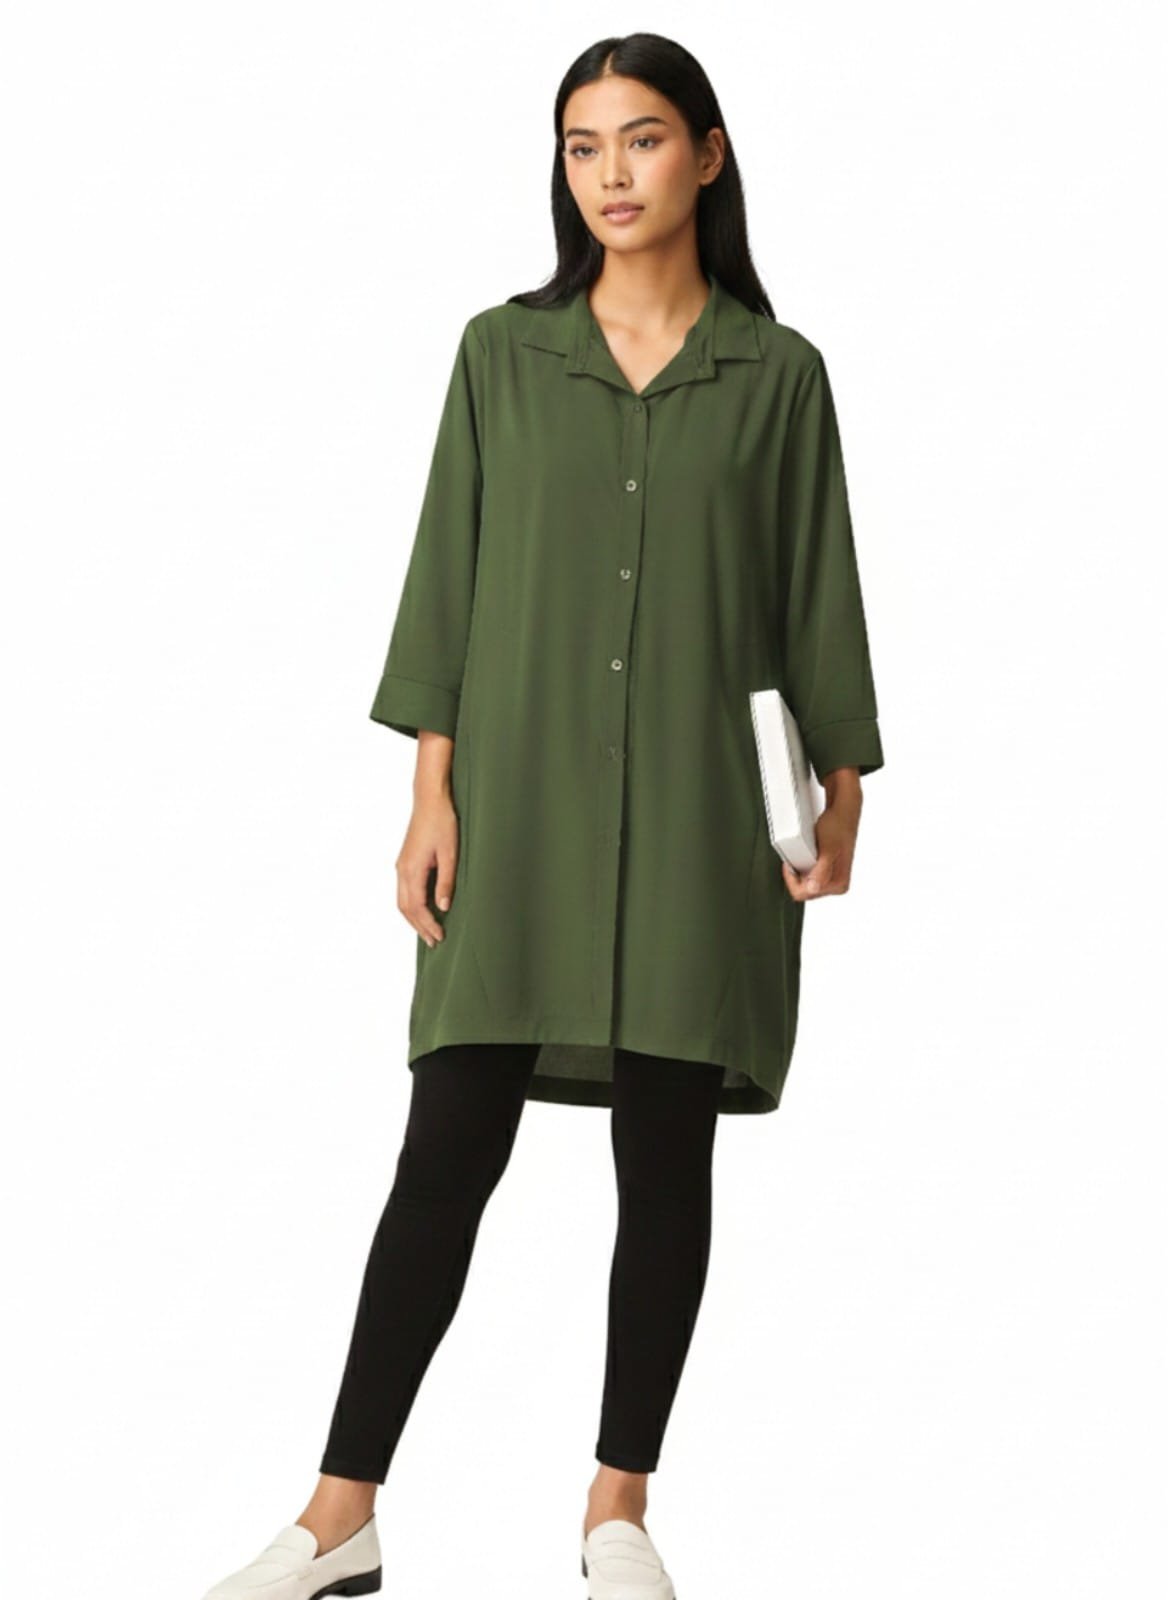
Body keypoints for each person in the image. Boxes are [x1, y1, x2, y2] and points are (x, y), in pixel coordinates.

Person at [200, 30, 884, 1600]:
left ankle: (617, 1510)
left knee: (667, 1159)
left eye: (642, 140)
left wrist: (843, 792)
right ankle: (339, 1517)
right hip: (514, 813)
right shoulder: (499, 357)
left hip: (705, 825)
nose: (612, 175)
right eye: (584, 146)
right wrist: (427, 795)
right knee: (446, 1146)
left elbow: (817, 592)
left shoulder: (780, 378)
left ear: (707, 154)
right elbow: (448, 576)